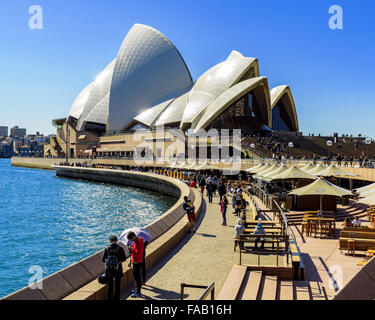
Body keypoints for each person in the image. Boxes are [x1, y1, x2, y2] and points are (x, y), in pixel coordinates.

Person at [102, 235, 126, 300]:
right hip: (118, 269)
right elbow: (124, 259)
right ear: (116, 241)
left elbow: (103, 259)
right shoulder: (120, 248)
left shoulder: (107, 249)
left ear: (110, 241)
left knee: (110, 286)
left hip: (109, 270)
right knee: (117, 286)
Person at [127, 231, 144, 298]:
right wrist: (132, 247)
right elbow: (136, 249)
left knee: (137, 277)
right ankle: (137, 288)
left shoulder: (138, 242)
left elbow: (137, 252)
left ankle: (138, 292)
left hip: (137, 261)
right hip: (138, 261)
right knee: (136, 276)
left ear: (133, 236)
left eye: (131, 239)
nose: (131, 240)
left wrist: (131, 249)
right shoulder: (139, 240)